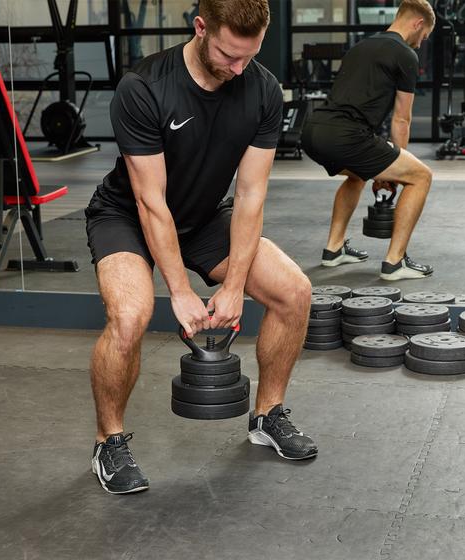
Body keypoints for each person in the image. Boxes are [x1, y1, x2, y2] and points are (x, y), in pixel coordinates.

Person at [85, 0, 317, 495]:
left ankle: (267, 415)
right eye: (229, 55)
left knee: (294, 292)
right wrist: (180, 292)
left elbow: (252, 195)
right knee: (130, 317)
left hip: (204, 216)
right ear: (200, 27)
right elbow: (151, 203)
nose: (239, 69)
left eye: (248, 57)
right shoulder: (144, 88)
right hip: (127, 214)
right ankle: (109, 442)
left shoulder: (262, 89)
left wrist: (233, 288)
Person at [301, 0, 435, 281]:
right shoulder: (405, 55)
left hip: (313, 131)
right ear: (418, 23)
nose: (421, 44)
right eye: (423, 37)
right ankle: (395, 263)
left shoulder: (361, 46)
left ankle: (334, 249)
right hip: (346, 135)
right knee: (420, 176)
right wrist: (396, 175)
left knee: (357, 176)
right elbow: (401, 120)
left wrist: (382, 168)